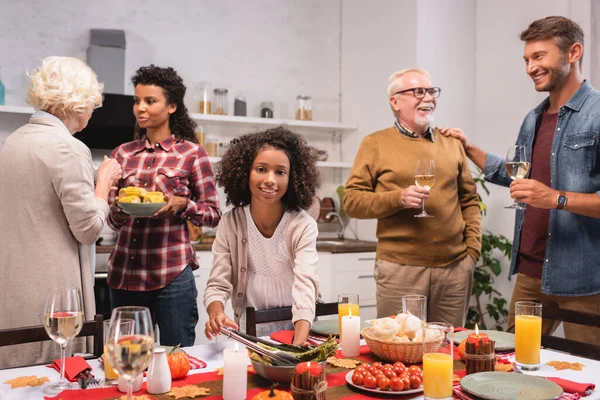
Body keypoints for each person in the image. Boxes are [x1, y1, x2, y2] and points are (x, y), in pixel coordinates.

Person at [441, 16, 600, 344]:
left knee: (586, 373)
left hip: (583, 277)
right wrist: (470, 147)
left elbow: (546, 194)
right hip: (530, 270)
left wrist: (555, 198)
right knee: (513, 365)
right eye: (527, 60)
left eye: (539, 56)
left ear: (573, 52)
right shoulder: (534, 118)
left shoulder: (597, 114)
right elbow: (515, 173)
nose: (530, 67)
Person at [0, 56, 122, 369]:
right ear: (77, 103)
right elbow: (89, 229)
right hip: (54, 302)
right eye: (92, 103)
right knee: (55, 378)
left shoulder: (11, 142)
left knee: (18, 383)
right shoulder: (69, 148)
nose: (93, 111)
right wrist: (103, 183)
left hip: (12, 296)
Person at [344, 68, 481, 327]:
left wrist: (471, 253)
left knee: (447, 351)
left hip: (454, 270)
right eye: (418, 91)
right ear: (394, 101)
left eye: (431, 91)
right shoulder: (375, 143)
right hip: (399, 270)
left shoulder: (452, 143)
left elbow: (469, 201)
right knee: (397, 349)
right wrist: (398, 199)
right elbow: (352, 201)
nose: (427, 97)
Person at [107, 65, 221, 346]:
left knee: (177, 360)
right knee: (129, 364)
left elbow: (214, 215)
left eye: (150, 101)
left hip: (171, 276)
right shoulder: (122, 153)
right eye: (137, 101)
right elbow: (109, 219)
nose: (140, 108)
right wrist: (118, 211)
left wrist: (183, 205)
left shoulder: (192, 154)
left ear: (171, 106)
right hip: (125, 276)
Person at [203, 126, 321, 345]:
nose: (270, 179)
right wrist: (216, 313)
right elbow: (218, 285)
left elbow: (306, 286)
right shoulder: (231, 223)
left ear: (292, 178)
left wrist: (297, 347)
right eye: (261, 169)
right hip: (249, 335)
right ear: (245, 172)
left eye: (280, 172)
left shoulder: (302, 224)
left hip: (297, 331)